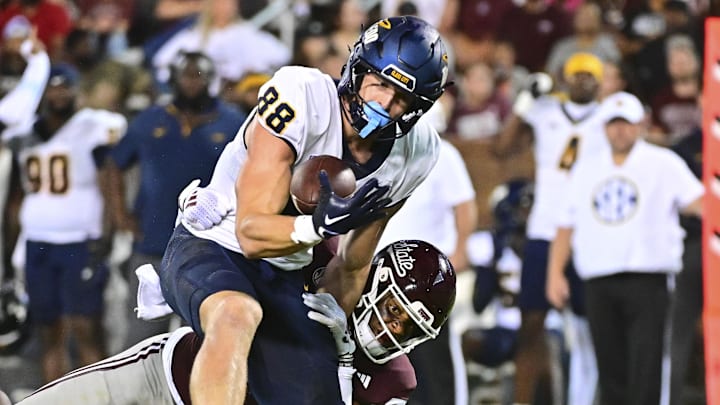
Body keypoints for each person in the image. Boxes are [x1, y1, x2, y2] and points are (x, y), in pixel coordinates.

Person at [160, 15, 450, 404]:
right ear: (357, 68)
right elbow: (249, 233)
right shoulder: (301, 96)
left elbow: (352, 264)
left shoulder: (417, 152)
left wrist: (332, 326)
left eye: (401, 99)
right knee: (236, 315)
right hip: (216, 243)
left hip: (288, 273)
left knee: (318, 394)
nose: (384, 102)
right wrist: (315, 227)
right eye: (380, 83)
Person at [16, 239, 457, 405]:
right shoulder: (321, 263)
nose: (391, 330)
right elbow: (246, 242)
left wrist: (343, 360)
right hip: (169, 379)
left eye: (409, 328)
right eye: (395, 310)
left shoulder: (396, 379)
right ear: (376, 282)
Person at [546, 91, 704, 405]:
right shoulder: (586, 168)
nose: (621, 131)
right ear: (604, 127)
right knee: (610, 366)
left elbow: (701, 204)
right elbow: (565, 225)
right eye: (614, 124)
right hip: (598, 279)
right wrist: (554, 274)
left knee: (647, 364)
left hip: (648, 279)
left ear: (641, 124)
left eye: (627, 124)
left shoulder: (664, 163)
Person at [103, 50, 244, 349]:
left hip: (208, 247)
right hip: (153, 242)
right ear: (173, 79)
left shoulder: (233, 122)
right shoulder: (150, 119)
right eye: (186, 76)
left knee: (200, 340)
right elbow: (114, 163)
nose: (192, 83)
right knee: (141, 339)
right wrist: (120, 214)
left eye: (198, 75)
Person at [493, 52, 607, 405]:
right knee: (531, 324)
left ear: (600, 82)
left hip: (589, 234)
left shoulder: (609, 118)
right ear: (564, 77)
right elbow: (502, 148)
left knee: (593, 329)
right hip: (544, 229)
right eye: (577, 75)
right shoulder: (545, 113)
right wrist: (525, 102)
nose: (583, 81)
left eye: (590, 76)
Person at [3, 63, 127, 383]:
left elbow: (108, 184)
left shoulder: (92, 127)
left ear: (78, 91)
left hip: (80, 241)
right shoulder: (24, 134)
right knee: (49, 332)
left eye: (65, 86)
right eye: (53, 87)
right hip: (38, 244)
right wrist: (7, 254)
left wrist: (105, 237)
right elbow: (15, 199)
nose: (59, 93)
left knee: (87, 329)